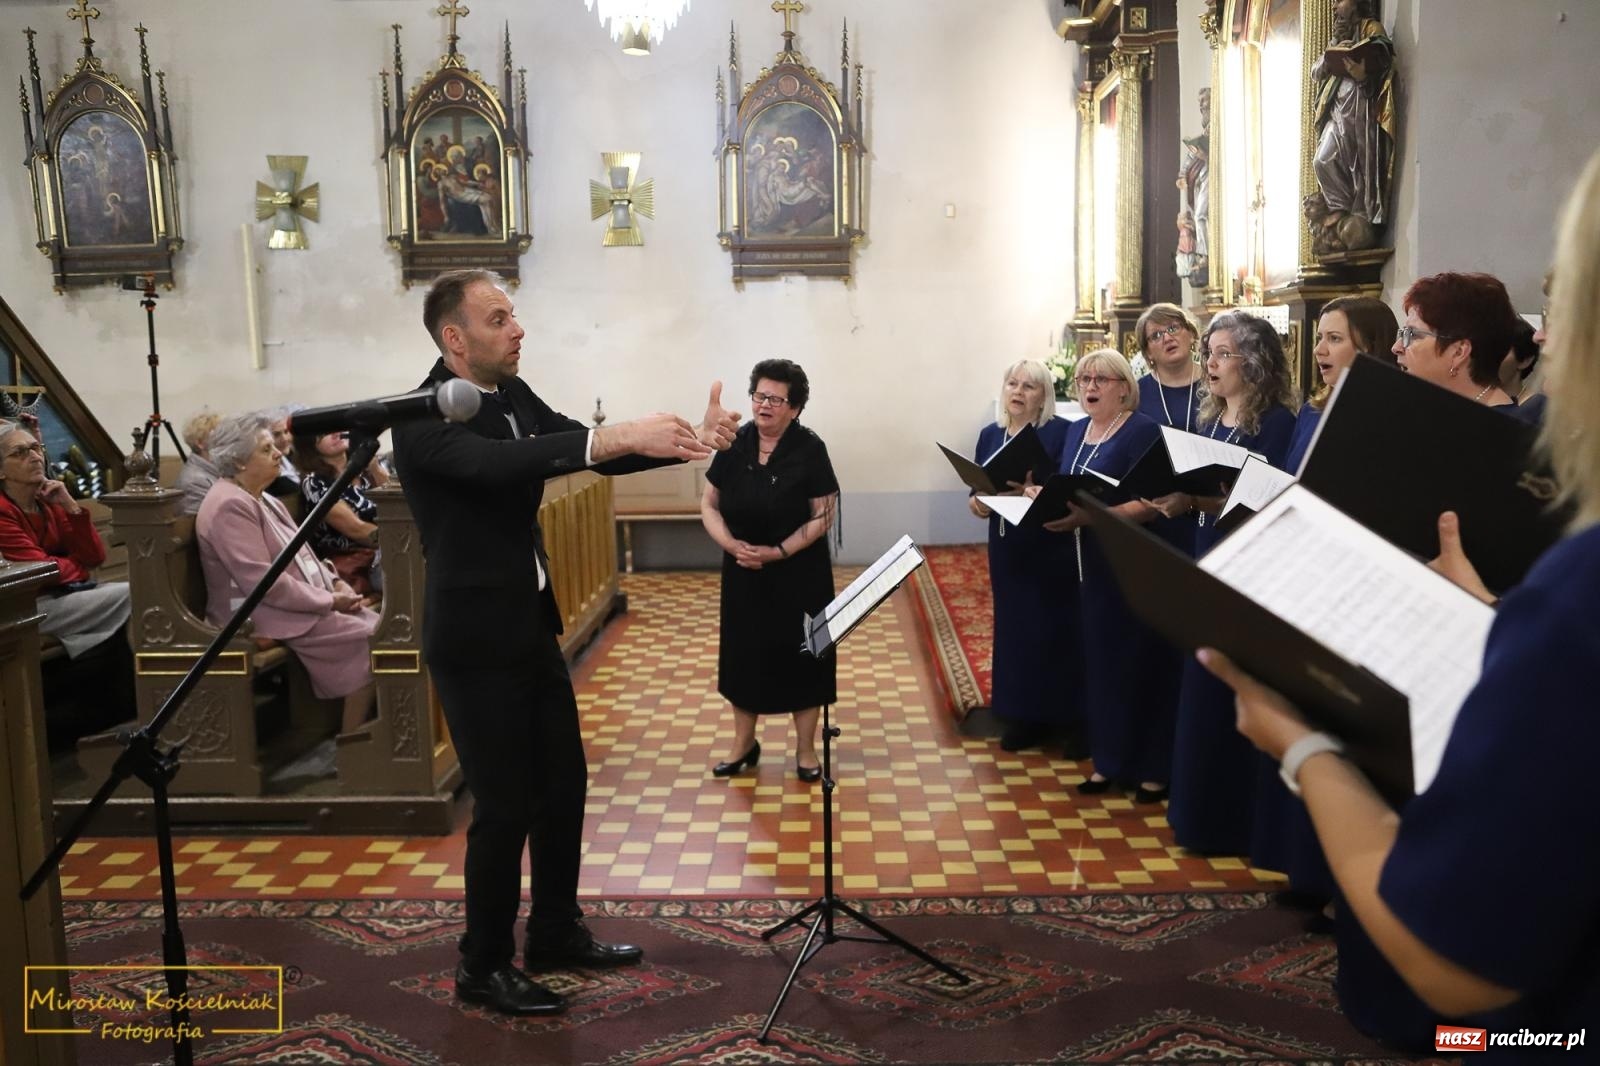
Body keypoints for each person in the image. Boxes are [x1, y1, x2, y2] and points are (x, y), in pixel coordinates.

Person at [1198, 146, 1600, 1051]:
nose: (1546, 342)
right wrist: (1490, 609)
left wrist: (1302, 744)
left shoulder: (1578, 592)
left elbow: (1456, 957)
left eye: (1566, 309)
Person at [391, 269, 738, 1018]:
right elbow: (502, 464)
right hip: (474, 638)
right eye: (498, 319)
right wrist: (618, 433)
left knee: (562, 785)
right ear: (455, 338)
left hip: (528, 624)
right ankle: (483, 964)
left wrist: (689, 444)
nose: (518, 329)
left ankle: (553, 931)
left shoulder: (512, 394)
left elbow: (582, 450)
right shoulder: (421, 419)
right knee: (503, 805)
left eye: (512, 315)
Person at [1147, 311, 1296, 858]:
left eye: (1223, 353)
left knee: (1231, 692)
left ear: (1253, 362)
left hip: (1248, 569)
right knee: (1202, 687)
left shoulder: (1275, 423)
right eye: (1208, 352)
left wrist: (1199, 500)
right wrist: (1182, 499)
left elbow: (1265, 501)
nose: (1210, 363)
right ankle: (1197, 817)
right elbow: (1207, 493)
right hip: (1206, 557)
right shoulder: (1210, 420)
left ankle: (1230, 823)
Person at [1036, 349, 1176, 804]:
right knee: (1099, 665)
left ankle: (1151, 768)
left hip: (1128, 564)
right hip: (1084, 564)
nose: (1089, 386)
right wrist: (1041, 496)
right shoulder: (1076, 430)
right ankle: (1108, 761)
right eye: (1083, 379)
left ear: (1123, 386)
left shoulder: (1141, 430)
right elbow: (1068, 489)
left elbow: (1152, 503)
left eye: (1100, 379)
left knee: (1135, 664)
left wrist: (1094, 517)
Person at [195, 414, 378, 736]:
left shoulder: (261, 497)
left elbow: (303, 553)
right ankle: (353, 741)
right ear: (238, 461)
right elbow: (262, 582)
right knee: (372, 638)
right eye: (266, 449)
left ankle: (367, 734)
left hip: (292, 603)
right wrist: (329, 601)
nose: (280, 453)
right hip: (254, 614)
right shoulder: (228, 505)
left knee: (386, 629)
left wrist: (336, 583)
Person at [701, 359, 839, 781]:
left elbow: (824, 514)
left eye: (776, 399)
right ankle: (744, 744)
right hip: (744, 570)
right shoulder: (735, 443)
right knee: (744, 657)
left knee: (805, 658)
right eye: (759, 396)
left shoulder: (810, 449)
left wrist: (778, 551)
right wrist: (732, 546)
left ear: (794, 408)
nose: (764, 405)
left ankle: (805, 751)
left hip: (799, 573)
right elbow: (709, 504)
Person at [966, 360, 1081, 755]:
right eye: (1012, 384)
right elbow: (977, 493)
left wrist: (1033, 492)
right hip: (1006, 544)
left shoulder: (1060, 433)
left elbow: (1066, 488)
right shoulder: (990, 434)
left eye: (1029, 386)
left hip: (1047, 543)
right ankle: (1021, 716)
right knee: (1013, 628)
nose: (1018, 391)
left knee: (1051, 629)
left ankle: (1063, 717)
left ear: (1044, 395)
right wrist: (980, 503)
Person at [0, 422, 135, 744]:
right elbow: (41, 572)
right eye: (20, 452)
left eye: (36, 448)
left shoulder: (46, 499)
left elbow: (94, 556)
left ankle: (114, 706)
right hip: (26, 608)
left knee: (132, 596)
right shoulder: (3, 511)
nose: (34, 457)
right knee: (132, 595)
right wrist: (75, 567)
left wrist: (70, 504)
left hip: (64, 595)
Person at [1306, 0, 1395, 248]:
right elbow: (1316, 72)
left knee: (1359, 162)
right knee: (1322, 159)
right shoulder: (1336, 38)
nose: (1334, 8)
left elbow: (1383, 62)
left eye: (1339, 2)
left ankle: (1359, 212)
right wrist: (1332, 51)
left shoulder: (1371, 28)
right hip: (1336, 108)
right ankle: (1339, 210)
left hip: (1361, 106)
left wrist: (1362, 74)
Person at [1284, 295, 1400, 472]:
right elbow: (1287, 475)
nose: (1318, 350)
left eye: (1334, 338)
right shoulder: (1310, 412)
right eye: (1319, 338)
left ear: (1370, 347)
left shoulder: (1390, 423)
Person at [1392, 271, 1519, 409]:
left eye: (1412, 334)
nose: (1396, 347)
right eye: (1403, 333)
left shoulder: (1498, 422)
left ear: (1459, 352)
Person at [292, 429, 388, 597]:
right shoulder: (315, 483)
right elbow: (358, 530)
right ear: (310, 445)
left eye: (337, 427)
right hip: (362, 562)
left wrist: (374, 467)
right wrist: (405, 540)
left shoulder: (364, 468)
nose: (336, 434)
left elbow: (401, 502)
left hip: (388, 550)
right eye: (324, 433)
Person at [175, 410, 222, 515]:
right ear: (200, 443)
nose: (228, 441)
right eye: (221, 436)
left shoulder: (218, 471)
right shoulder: (195, 482)